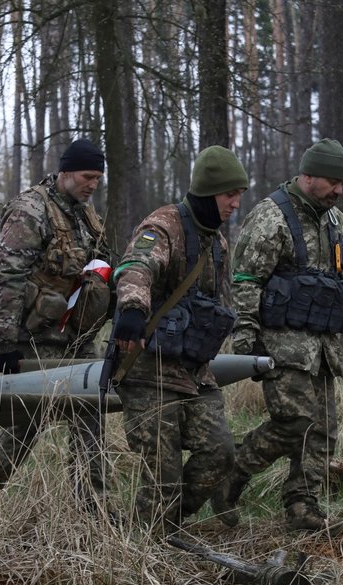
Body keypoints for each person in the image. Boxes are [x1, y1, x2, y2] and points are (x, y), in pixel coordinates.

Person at [212, 138, 343, 532]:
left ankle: (302, 504)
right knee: (295, 422)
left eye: (342, 184)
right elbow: (246, 281)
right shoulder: (270, 218)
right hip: (281, 345)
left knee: (323, 430)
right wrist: (246, 339)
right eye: (333, 182)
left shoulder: (331, 218)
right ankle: (231, 475)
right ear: (307, 176)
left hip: (324, 347)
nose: (339, 191)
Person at [110, 145, 248, 533]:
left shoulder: (217, 244)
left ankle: (159, 527)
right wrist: (134, 311)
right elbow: (137, 266)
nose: (236, 203)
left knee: (219, 453)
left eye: (239, 195)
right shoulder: (163, 225)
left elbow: (219, 304)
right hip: (148, 370)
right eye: (229, 194)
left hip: (194, 372)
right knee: (162, 475)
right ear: (208, 191)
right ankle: (148, 544)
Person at [0, 138, 112, 509]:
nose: (93, 185)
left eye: (98, 179)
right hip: (37, 340)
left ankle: (92, 507)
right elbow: (7, 277)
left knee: (90, 417)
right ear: (67, 171)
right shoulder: (30, 211)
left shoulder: (85, 213)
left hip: (77, 337)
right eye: (88, 176)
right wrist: (6, 342)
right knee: (23, 429)